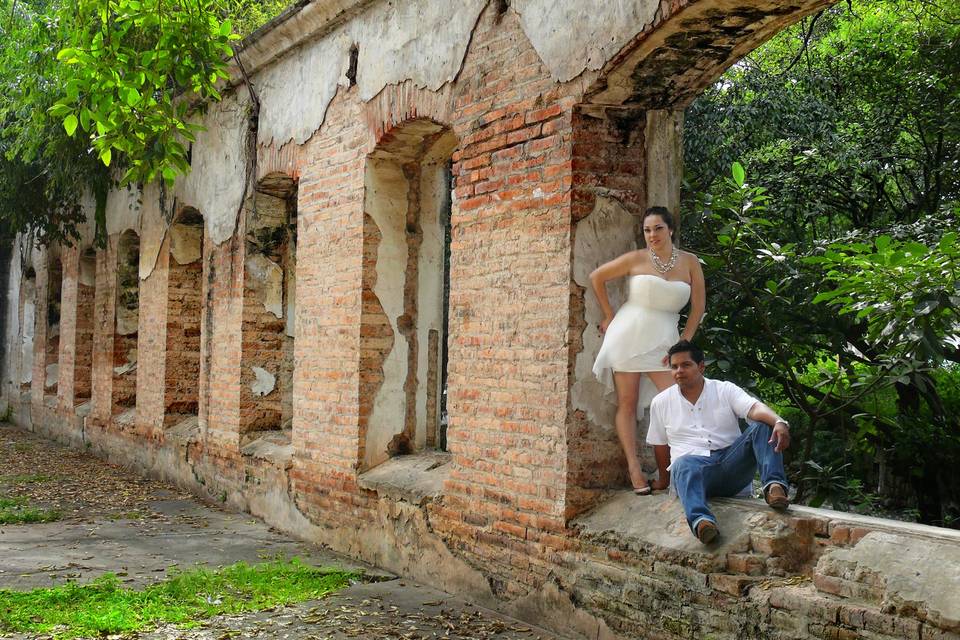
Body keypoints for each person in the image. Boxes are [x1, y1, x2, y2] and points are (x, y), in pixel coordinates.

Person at [590, 206, 705, 495]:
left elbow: (699, 307)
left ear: (671, 229)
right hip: (628, 333)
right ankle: (634, 467)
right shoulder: (636, 258)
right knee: (627, 403)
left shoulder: (690, 262)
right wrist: (609, 315)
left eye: (658, 228)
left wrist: (683, 343)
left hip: (666, 339)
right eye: (647, 230)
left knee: (674, 402)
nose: (652, 235)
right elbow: (597, 277)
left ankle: (670, 472)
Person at [646, 340, 791, 544]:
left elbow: (754, 408)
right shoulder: (661, 402)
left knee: (763, 425)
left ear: (701, 366)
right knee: (683, 463)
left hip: (731, 464)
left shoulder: (724, 390)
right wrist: (663, 481)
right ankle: (703, 522)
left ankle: (775, 486)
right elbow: (660, 445)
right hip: (695, 473)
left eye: (686, 365)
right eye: (674, 366)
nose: (679, 371)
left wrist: (779, 421)